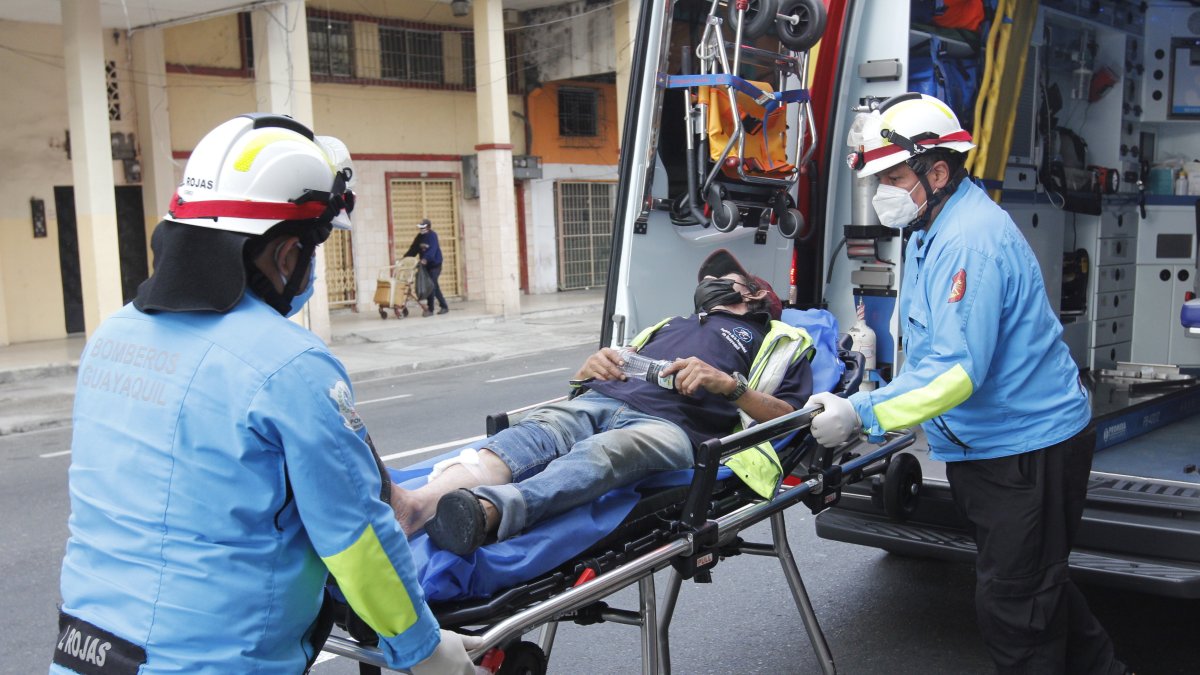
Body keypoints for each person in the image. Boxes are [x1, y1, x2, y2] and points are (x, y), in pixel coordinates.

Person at [53, 114, 478, 675]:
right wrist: (424, 651)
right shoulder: (290, 366)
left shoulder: (109, 338)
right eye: (312, 252)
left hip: (84, 654)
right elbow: (356, 540)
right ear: (285, 255)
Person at [809, 93, 1127, 674]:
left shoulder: (967, 239)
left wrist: (864, 414)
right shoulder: (935, 226)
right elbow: (932, 351)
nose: (885, 189)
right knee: (1036, 586)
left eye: (894, 175)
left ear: (937, 170)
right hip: (999, 447)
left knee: (1016, 608)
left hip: (1027, 450)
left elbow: (956, 371)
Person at [391, 249, 815, 556]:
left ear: (756, 295)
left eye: (729, 279)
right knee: (527, 438)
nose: (711, 283)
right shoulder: (672, 323)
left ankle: (487, 513)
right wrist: (590, 367)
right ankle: (416, 506)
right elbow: (602, 369)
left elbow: (789, 417)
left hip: (673, 427)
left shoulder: (778, 339)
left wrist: (728, 386)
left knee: (601, 456)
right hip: (602, 397)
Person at [404, 218, 449, 316]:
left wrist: (425, 259)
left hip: (435, 265)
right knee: (432, 286)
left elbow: (432, 250)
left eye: (423, 227)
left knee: (431, 286)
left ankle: (431, 309)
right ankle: (443, 306)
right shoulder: (420, 236)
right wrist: (405, 258)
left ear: (428, 227)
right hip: (425, 266)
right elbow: (413, 249)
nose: (421, 229)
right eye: (420, 227)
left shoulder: (432, 236)